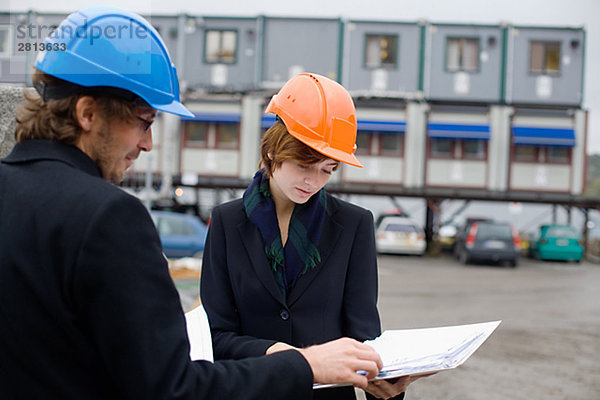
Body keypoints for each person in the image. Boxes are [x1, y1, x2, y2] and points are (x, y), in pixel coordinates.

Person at [0, 7, 385, 399]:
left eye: (328, 169)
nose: (148, 143)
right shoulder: (109, 216)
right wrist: (306, 365)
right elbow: (172, 386)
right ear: (86, 114)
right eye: (145, 121)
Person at [200, 73, 427, 400]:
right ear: (274, 151)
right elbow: (216, 336)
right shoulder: (226, 221)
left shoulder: (354, 225)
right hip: (251, 390)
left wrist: (387, 387)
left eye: (327, 169)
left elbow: (363, 337)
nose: (313, 181)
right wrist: (277, 353)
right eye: (305, 165)